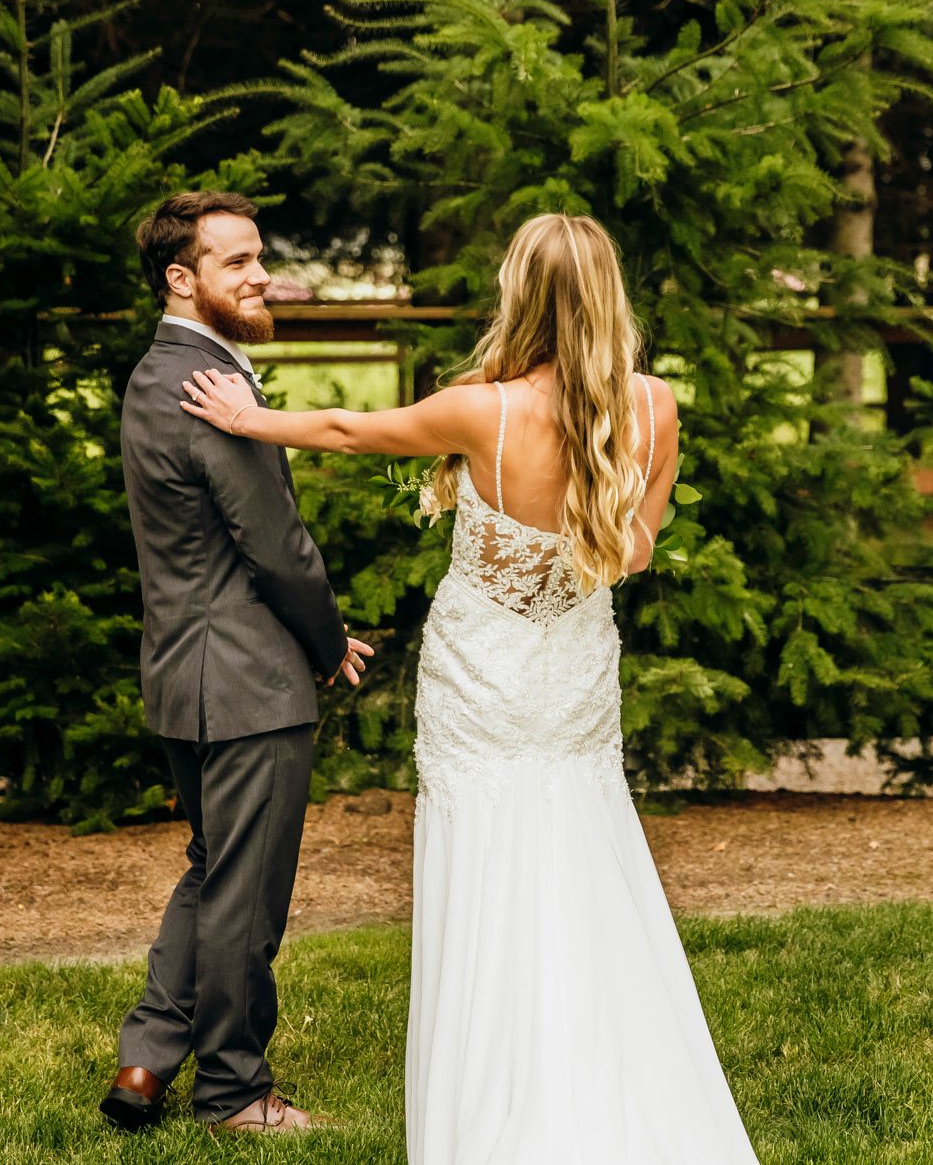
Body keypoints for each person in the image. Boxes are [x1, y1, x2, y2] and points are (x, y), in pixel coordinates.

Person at [180, 212, 760, 1162]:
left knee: (489, 855)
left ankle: (496, 1101)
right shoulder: (655, 406)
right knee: (584, 840)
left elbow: (346, 429)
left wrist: (248, 418)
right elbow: (637, 549)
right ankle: (612, 1076)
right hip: (574, 671)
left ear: (520, 295)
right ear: (609, 296)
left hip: (483, 678)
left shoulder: (481, 410)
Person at [102, 190, 374, 1136]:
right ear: (183, 279)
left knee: (211, 871)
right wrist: (328, 640)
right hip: (249, 683)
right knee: (246, 899)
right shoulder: (214, 388)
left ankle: (146, 1061)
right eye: (237, 263)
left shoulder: (150, 373)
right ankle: (234, 1092)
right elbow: (278, 545)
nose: (261, 276)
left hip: (181, 673)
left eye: (261, 257)